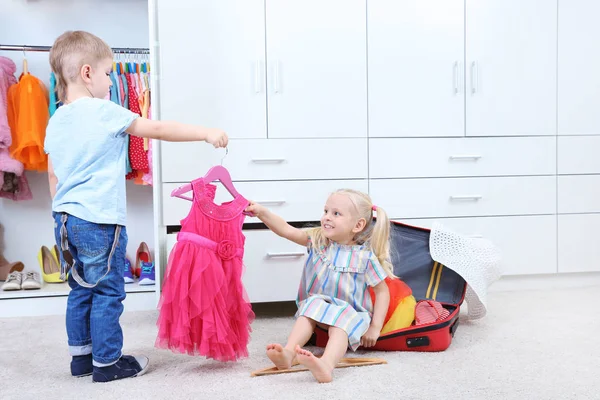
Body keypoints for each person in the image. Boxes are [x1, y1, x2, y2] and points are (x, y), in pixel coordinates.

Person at [44, 30, 228, 383]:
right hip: (98, 218)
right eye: (107, 72)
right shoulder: (104, 111)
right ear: (87, 73)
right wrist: (205, 132)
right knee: (108, 291)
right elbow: (157, 128)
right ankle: (108, 363)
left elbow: (53, 175)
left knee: (81, 288)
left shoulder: (57, 120)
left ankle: (81, 359)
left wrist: (60, 212)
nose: (110, 80)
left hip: (65, 218)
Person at [245, 189, 392, 383]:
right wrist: (262, 213)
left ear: (357, 225)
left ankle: (326, 365)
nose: (326, 218)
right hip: (321, 309)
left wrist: (375, 327)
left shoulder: (365, 257)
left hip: (352, 314)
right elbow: (287, 230)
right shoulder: (319, 242)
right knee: (311, 305)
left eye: (336, 213)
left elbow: (382, 292)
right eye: (326, 211)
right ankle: (289, 353)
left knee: (340, 324)